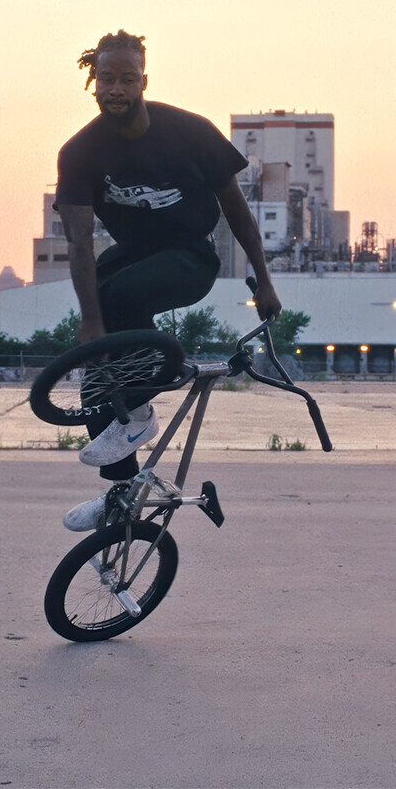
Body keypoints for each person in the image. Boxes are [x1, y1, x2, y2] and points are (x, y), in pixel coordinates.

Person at [54, 30, 281, 531]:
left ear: (143, 81)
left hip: (189, 256)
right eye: (106, 79)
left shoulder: (189, 131)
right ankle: (119, 491)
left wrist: (262, 279)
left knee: (119, 296)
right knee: (97, 362)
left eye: (127, 79)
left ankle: (143, 401)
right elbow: (78, 242)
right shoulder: (80, 152)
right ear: (93, 83)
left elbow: (237, 212)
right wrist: (91, 324)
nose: (116, 88)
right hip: (132, 253)